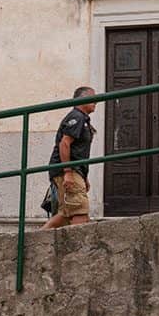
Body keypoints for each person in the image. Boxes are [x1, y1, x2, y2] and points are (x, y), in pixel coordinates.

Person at [43, 86, 97, 229]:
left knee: (65, 214)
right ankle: (78, 249)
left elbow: (79, 151)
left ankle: (30, 244)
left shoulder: (82, 119)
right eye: (93, 97)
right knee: (80, 212)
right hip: (68, 169)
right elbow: (64, 144)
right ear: (82, 99)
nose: (96, 101)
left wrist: (84, 176)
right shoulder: (76, 117)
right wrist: (67, 172)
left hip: (74, 170)